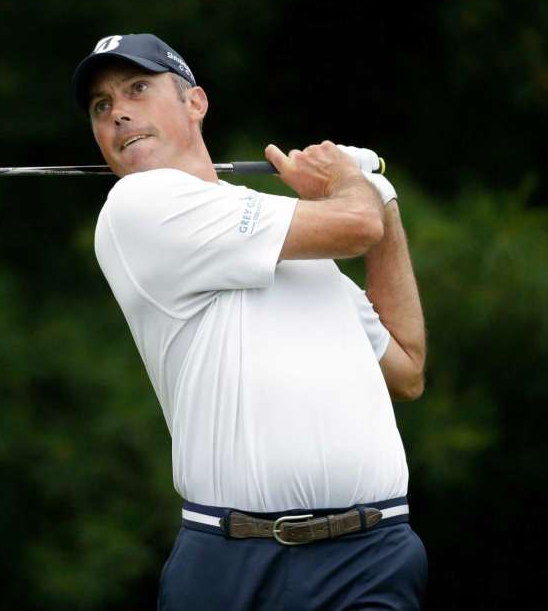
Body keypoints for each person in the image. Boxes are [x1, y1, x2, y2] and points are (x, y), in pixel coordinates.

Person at [72, 33, 428, 610]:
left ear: (196, 103)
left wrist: (380, 196)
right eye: (101, 106)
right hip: (234, 564)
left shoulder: (298, 245)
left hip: (372, 558)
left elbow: (407, 368)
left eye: (137, 88)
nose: (119, 113)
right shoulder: (139, 207)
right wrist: (354, 185)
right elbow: (358, 226)